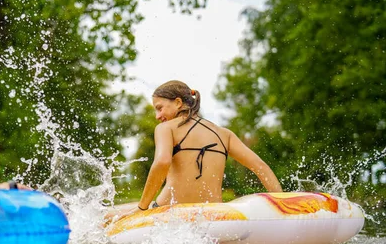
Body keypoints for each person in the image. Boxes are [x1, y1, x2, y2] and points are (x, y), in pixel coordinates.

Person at [114, 80, 282, 219]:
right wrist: (282, 207)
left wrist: (142, 208)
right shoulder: (224, 133)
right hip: (215, 215)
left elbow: (162, 162)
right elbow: (260, 167)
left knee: (105, 216)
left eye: (160, 108)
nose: (157, 116)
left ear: (178, 103)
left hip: (169, 211)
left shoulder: (166, 129)